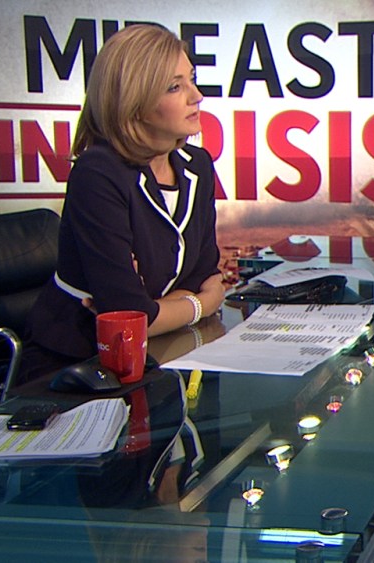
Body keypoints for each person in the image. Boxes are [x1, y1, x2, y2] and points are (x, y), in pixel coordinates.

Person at [21, 24, 225, 382]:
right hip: (77, 369)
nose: (197, 96)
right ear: (135, 102)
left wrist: (157, 309)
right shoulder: (98, 173)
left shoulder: (198, 165)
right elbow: (129, 316)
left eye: (192, 80)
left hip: (163, 354)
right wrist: (200, 305)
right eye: (175, 87)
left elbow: (204, 271)